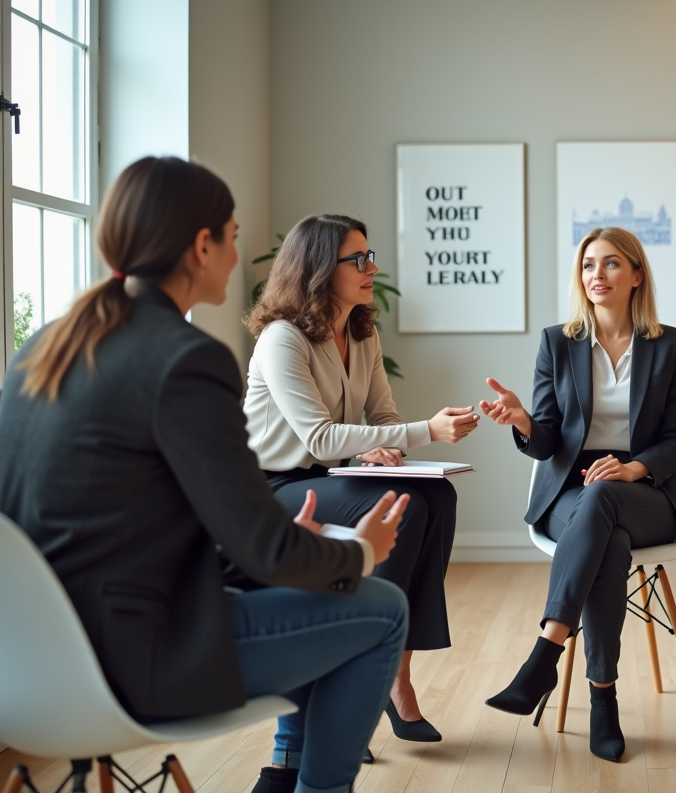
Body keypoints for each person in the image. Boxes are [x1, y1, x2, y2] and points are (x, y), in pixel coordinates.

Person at [0, 157, 411, 793]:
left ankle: (282, 775)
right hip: (131, 659)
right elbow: (264, 548)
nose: (237, 253)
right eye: (234, 234)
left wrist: (297, 546)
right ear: (202, 246)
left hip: (27, 664)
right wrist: (357, 552)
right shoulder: (187, 360)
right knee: (380, 608)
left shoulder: (47, 344)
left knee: (314, 582)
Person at [242, 214, 478, 745]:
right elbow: (320, 439)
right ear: (321, 267)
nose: (372, 267)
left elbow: (384, 419)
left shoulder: (360, 331)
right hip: (277, 490)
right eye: (359, 259)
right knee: (408, 507)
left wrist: (392, 445)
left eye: (370, 257)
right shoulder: (283, 340)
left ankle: (393, 671)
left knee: (436, 495)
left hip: (332, 477)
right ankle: (366, 674)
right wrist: (429, 432)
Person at [478, 226, 676, 761]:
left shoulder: (669, 344)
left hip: (647, 489)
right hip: (571, 491)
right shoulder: (558, 341)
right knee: (610, 539)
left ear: (636, 275)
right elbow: (548, 439)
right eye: (587, 265)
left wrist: (634, 468)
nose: (596, 275)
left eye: (611, 264)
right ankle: (604, 699)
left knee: (607, 502)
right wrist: (524, 421)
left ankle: (543, 657)